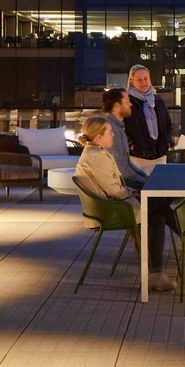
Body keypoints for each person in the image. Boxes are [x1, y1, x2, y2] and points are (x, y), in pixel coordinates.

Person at [74, 115, 176, 291]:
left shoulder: (96, 152)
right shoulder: (97, 156)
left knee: (159, 214)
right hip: (112, 210)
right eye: (109, 132)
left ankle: (155, 274)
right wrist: (135, 193)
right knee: (159, 203)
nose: (113, 135)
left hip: (113, 204)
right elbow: (114, 190)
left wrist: (135, 193)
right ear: (98, 137)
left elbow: (114, 187)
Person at [122, 64, 174, 172]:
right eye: (139, 79)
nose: (143, 82)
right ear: (131, 81)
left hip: (160, 155)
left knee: (160, 187)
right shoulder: (128, 102)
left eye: (145, 78)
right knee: (141, 187)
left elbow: (168, 125)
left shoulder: (158, 101)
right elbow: (122, 126)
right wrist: (131, 145)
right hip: (138, 157)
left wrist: (167, 141)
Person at [99, 86, 147, 191]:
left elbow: (127, 162)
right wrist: (143, 180)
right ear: (116, 106)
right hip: (122, 184)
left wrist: (145, 176)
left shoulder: (117, 126)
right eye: (127, 102)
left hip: (125, 181)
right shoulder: (111, 129)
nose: (131, 104)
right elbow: (121, 169)